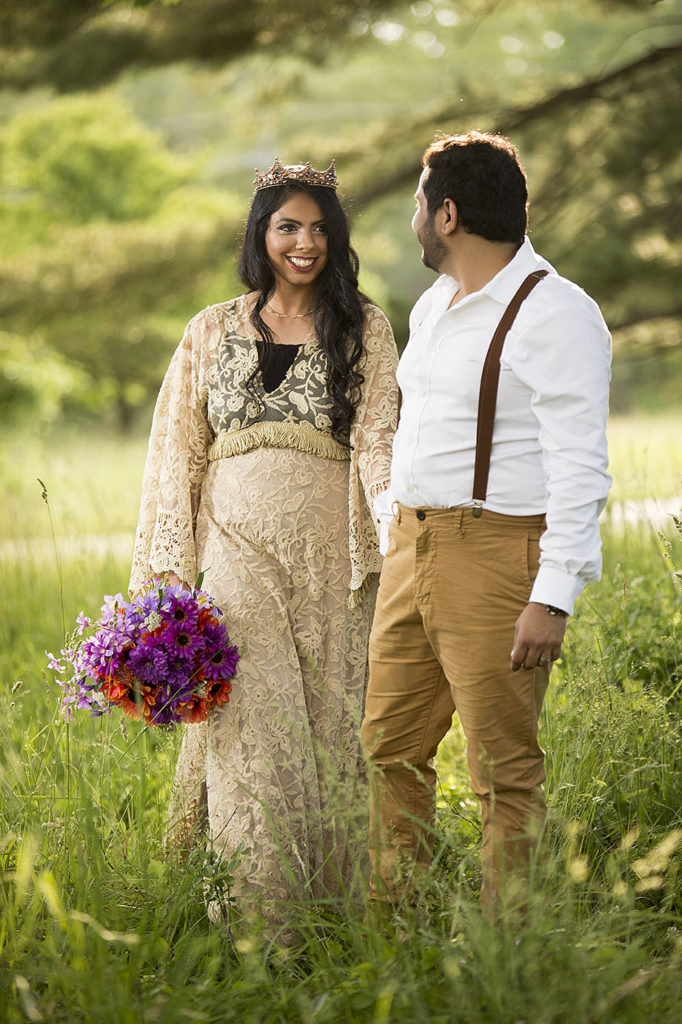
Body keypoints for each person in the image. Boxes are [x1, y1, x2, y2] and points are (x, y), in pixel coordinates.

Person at [130, 159, 399, 926]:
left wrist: (397, 530)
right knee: (250, 725)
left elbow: (379, 439)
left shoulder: (366, 327)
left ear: (335, 237)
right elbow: (176, 449)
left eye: (319, 228)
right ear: (262, 233)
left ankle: (337, 916)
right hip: (232, 551)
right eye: (288, 226)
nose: (304, 243)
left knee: (327, 725)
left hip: (330, 563)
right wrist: (166, 575)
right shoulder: (210, 328)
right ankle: (257, 923)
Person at [360, 131, 612, 912]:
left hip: (498, 554)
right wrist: (392, 529)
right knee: (388, 750)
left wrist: (555, 591)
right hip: (413, 544)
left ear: (448, 216)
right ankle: (403, 923)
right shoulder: (435, 306)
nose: (413, 218)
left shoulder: (558, 313)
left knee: (503, 772)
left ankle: (512, 954)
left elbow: (581, 465)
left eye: (417, 204)